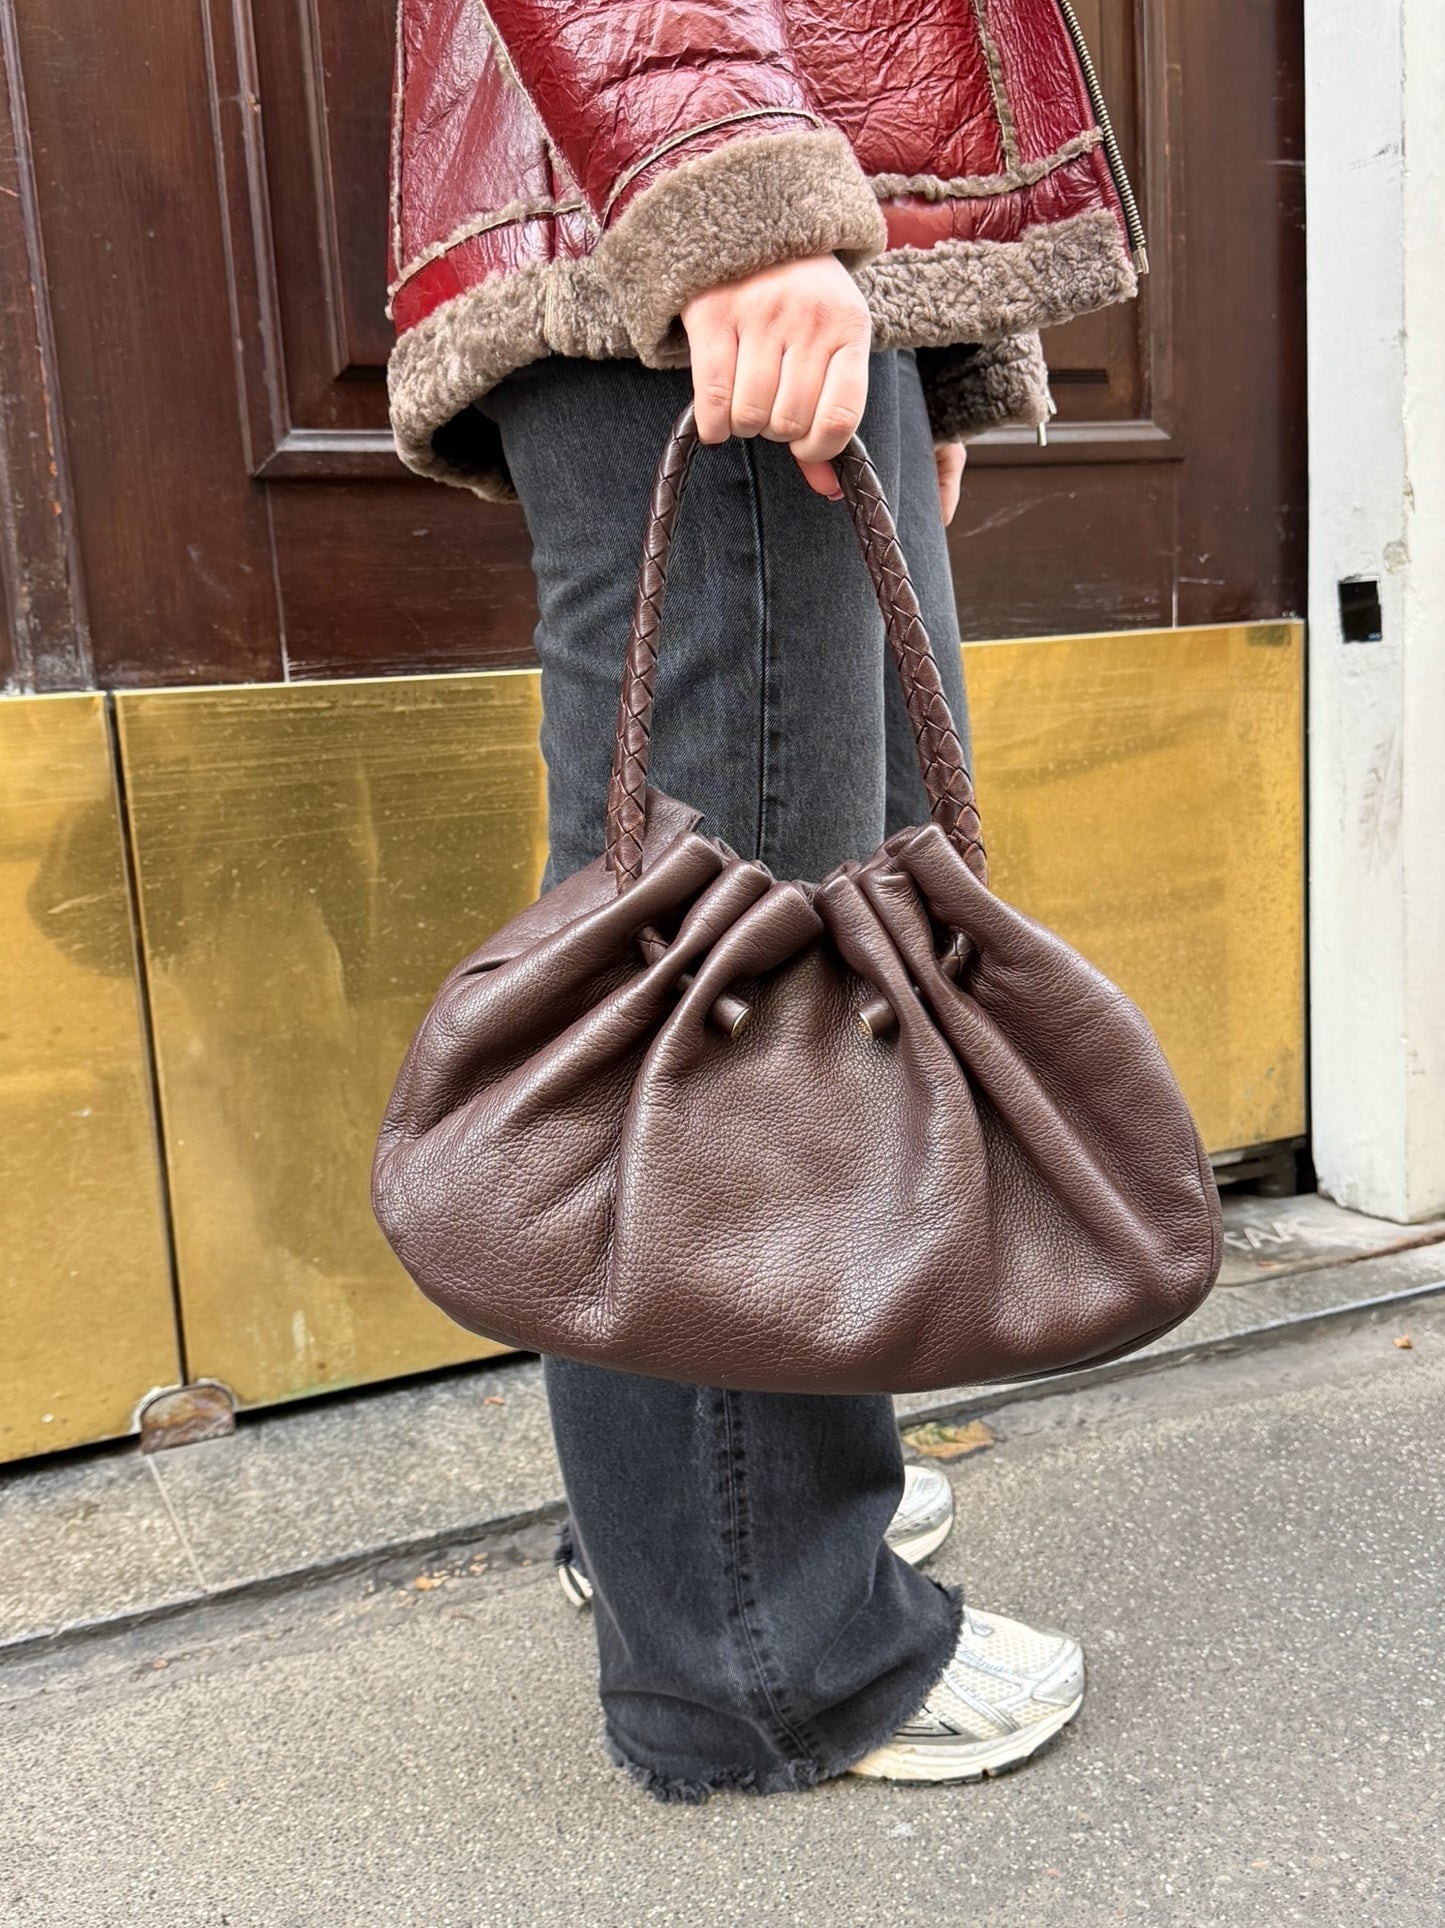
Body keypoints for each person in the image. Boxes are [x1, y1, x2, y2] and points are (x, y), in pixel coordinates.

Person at [387, 0, 1142, 1799]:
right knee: (730, 969)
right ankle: (756, 1649)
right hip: (688, 226)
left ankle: (700, 1520)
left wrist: (916, 341)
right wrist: (733, 201)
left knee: (813, 912)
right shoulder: (718, 211)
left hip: (750, 219)